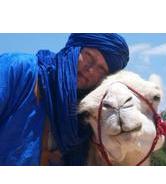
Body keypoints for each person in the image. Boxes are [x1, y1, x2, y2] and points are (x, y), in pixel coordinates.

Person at [0, 33, 129, 166]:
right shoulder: (17, 68)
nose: (90, 69)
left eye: (101, 69)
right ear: (73, 49)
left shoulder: (87, 117)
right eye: (88, 56)